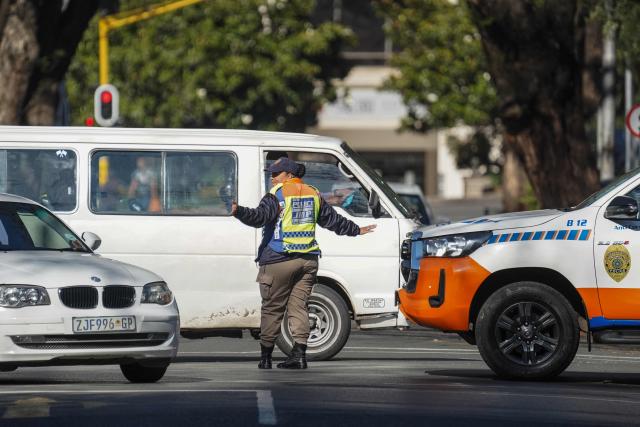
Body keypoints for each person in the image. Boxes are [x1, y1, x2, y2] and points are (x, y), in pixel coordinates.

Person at [231, 157, 376, 370]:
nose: (272, 178)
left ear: (289, 175)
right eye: (271, 174)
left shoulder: (277, 195)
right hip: (307, 261)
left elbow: (259, 217)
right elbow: (332, 220)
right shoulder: (313, 193)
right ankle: (298, 355)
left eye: (276, 174)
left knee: (272, 309)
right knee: (298, 307)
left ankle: (266, 358)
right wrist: (356, 230)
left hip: (279, 260)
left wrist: (239, 211)